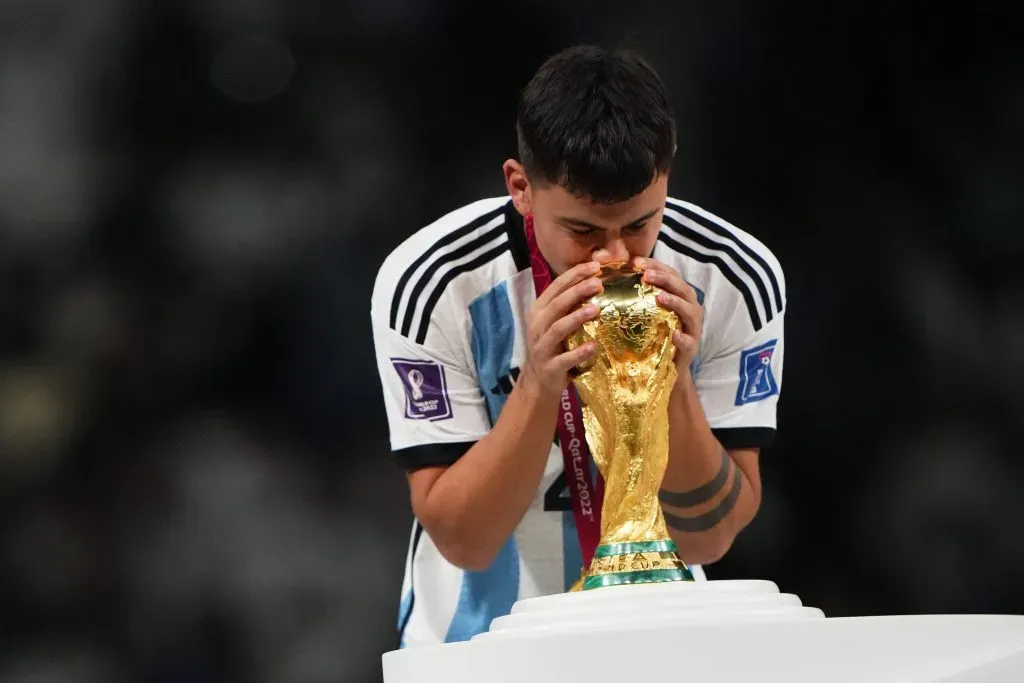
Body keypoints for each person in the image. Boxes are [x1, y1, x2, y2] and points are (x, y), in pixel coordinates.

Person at [370, 44, 786, 648]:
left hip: (657, 640)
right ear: (520, 186)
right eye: (583, 230)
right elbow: (466, 542)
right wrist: (539, 384)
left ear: (667, 177)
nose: (614, 257)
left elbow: (707, 538)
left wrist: (671, 383)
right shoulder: (434, 282)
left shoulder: (732, 276)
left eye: (640, 224)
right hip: (475, 648)